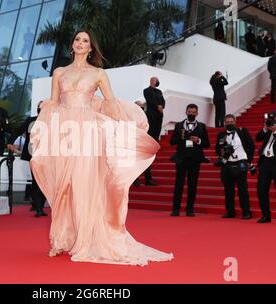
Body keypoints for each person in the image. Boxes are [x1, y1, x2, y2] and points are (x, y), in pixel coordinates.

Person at [29, 30, 174, 265]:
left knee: (83, 183)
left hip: (87, 131)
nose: (80, 43)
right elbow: (55, 101)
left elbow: (110, 102)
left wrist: (123, 126)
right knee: (64, 185)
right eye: (77, 39)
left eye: (85, 41)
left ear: (91, 48)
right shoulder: (59, 72)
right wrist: (46, 108)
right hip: (66, 132)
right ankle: (62, 239)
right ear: (72, 45)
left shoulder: (98, 73)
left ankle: (85, 240)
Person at [7, 101, 47, 217]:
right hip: (33, 155)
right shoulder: (30, 120)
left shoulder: (53, 121)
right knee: (36, 181)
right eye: (40, 107)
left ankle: (39, 205)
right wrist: (10, 142)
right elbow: (18, 131)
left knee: (45, 182)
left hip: (48, 156)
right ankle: (39, 208)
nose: (42, 109)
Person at [170, 104, 210, 217]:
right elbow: (172, 142)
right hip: (181, 158)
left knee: (193, 185)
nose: (191, 114)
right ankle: (176, 209)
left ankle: (190, 209)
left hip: (195, 159)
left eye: (193, 112)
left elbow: (207, 144)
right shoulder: (178, 125)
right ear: (186, 112)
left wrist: (199, 140)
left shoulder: (202, 126)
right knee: (179, 184)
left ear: (197, 113)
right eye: (190, 112)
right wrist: (180, 137)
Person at [216, 115, 254, 219]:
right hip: (227, 164)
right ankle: (230, 211)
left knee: (243, 190)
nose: (229, 123)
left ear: (235, 121)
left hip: (241, 163)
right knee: (228, 190)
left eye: (231, 121)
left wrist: (248, 160)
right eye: (227, 122)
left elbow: (251, 145)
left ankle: (246, 212)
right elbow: (217, 149)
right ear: (224, 123)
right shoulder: (221, 135)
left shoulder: (242, 131)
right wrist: (222, 151)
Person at [142, 76, 165, 186]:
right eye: (153, 79)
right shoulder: (146, 90)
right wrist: (157, 106)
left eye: (156, 79)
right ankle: (146, 178)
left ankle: (155, 141)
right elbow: (150, 100)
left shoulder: (160, 91)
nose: (155, 81)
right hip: (151, 116)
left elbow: (162, 100)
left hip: (159, 116)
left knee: (156, 133)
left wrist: (162, 107)